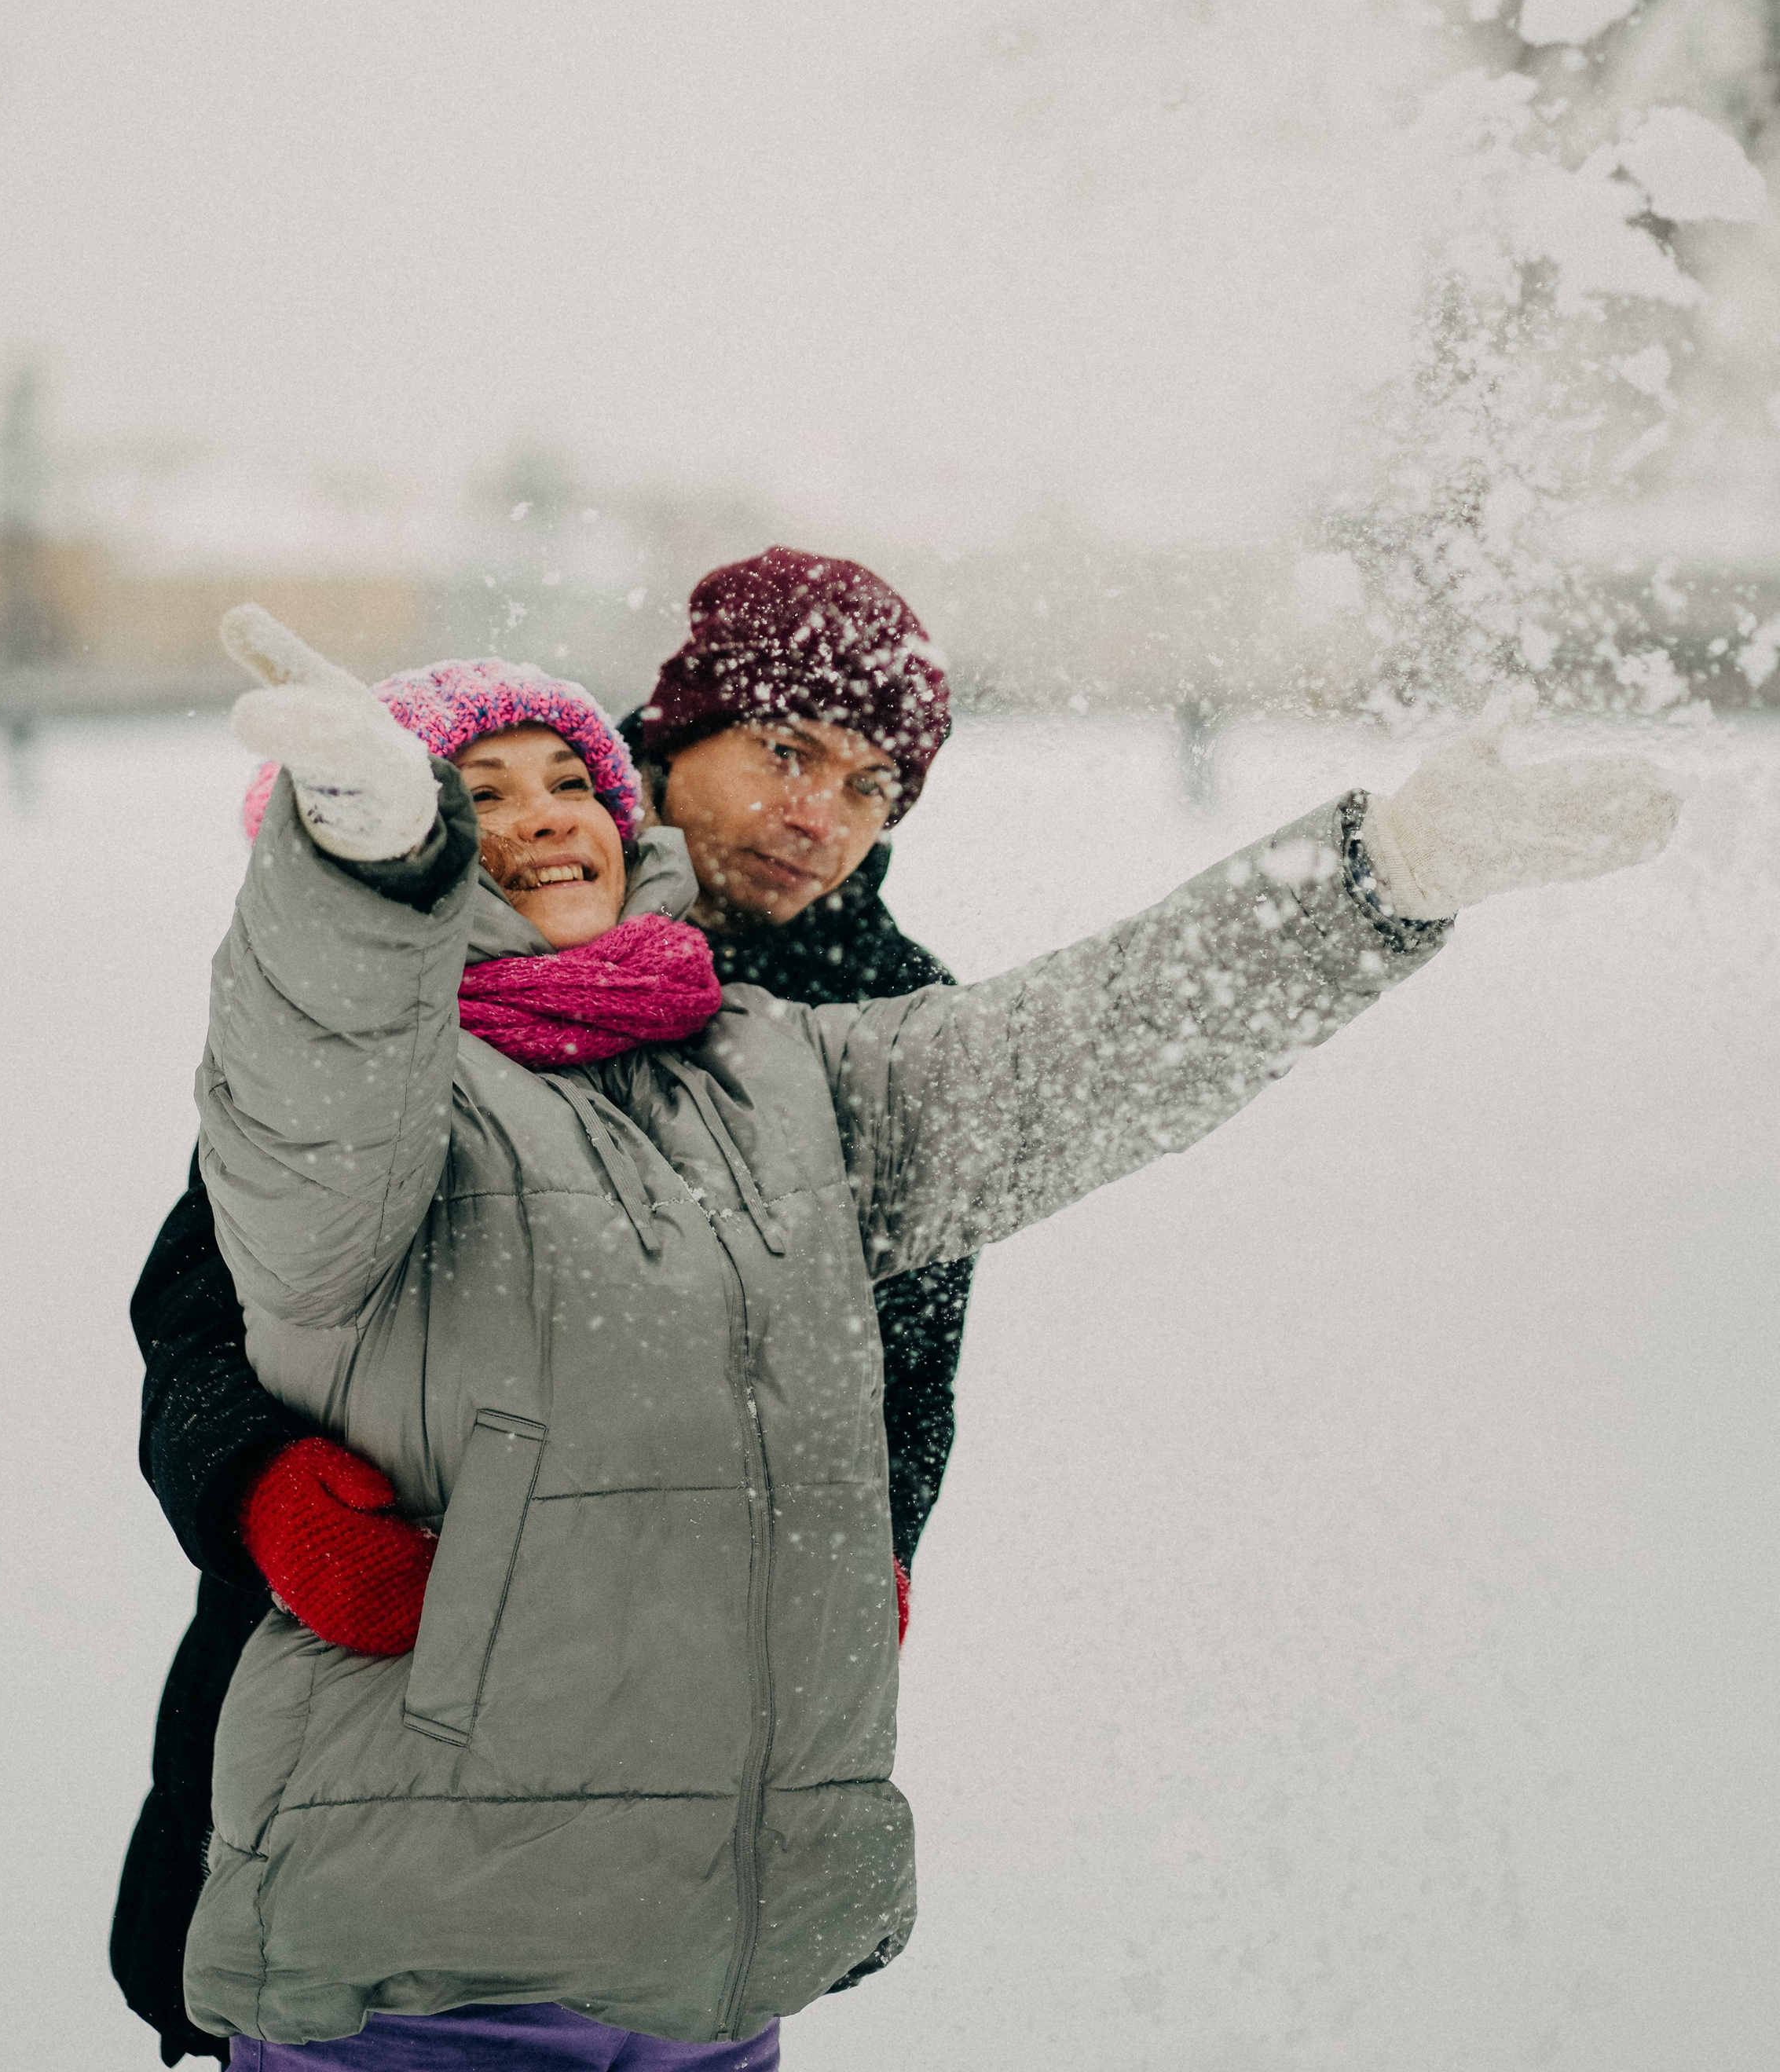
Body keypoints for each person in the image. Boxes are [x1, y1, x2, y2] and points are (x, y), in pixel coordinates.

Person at [172, 601, 1674, 2064]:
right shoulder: (380, 1115)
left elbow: (1062, 1055)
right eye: (475, 795)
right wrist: (366, 863)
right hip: (434, 1965)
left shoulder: (765, 1064)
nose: (545, 815)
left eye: (571, 782)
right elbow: (311, 1065)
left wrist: (1375, 880)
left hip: (712, 1956)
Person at [114, 553, 973, 2067]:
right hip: (393, 1702)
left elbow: (900, 1359)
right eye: (785, 752)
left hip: (689, 1765)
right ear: (666, 740)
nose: (817, 815)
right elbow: (213, 1290)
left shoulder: (881, 1016)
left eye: (872, 783)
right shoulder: (453, 924)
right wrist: (256, 1481)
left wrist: (871, 1550)